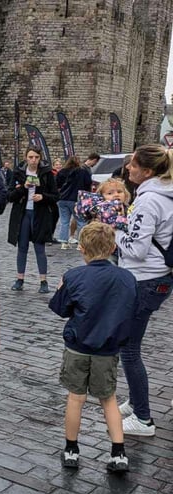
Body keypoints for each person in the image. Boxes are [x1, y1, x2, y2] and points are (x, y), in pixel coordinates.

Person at [49, 222, 136, 473]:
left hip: (78, 345)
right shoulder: (126, 278)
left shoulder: (74, 276)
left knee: (76, 398)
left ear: (82, 249)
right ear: (112, 247)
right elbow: (131, 310)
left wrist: (61, 289)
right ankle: (118, 452)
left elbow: (60, 308)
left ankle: (71, 448)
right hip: (107, 348)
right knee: (108, 399)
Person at [115, 144, 173, 437]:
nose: (128, 168)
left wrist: (115, 232)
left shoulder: (150, 199)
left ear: (148, 171)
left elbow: (136, 249)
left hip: (144, 279)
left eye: (133, 165)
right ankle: (135, 400)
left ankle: (143, 418)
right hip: (158, 277)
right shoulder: (165, 193)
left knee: (129, 349)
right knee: (130, 346)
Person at [7, 145, 59, 293]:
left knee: (39, 248)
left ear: (40, 158)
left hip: (40, 214)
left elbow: (55, 196)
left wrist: (42, 197)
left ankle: (43, 281)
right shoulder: (18, 173)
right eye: (31, 157)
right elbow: (10, 195)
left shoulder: (47, 173)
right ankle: (19, 279)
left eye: (36, 157)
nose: (33, 160)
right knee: (22, 247)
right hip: (23, 214)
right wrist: (23, 188)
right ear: (26, 158)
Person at [56, 156, 92, 249]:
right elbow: (88, 183)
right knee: (81, 221)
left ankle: (64, 242)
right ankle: (81, 243)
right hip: (77, 199)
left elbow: (57, 184)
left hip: (63, 199)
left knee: (64, 221)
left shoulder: (62, 172)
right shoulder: (83, 172)